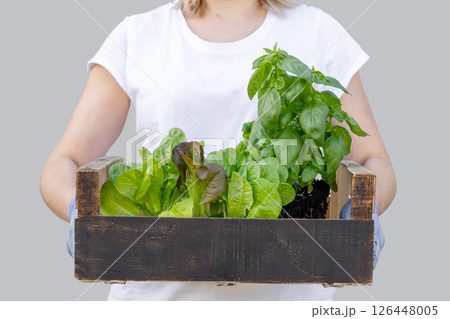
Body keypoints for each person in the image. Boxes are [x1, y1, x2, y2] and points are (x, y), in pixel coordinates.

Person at [40, 0, 397, 301]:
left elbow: (373, 159)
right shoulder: (139, 35)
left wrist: (363, 210)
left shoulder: (318, 31)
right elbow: (63, 161)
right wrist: (80, 210)